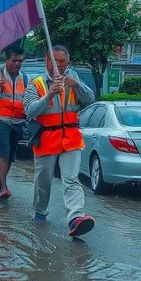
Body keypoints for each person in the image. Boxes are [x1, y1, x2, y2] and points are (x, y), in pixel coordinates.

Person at [23, 45, 97, 237]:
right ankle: (40, 212)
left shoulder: (73, 79)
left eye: (62, 62)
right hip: (46, 139)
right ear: (47, 61)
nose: (59, 65)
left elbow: (90, 99)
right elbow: (30, 110)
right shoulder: (36, 83)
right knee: (43, 182)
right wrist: (49, 94)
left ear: (68, 62)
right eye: (54, 61)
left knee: (71, 179)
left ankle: (75, 218)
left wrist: (77, 85)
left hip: (71, 138)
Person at [0, 47, 29, 200]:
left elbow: (28, 100)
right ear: (6, 60)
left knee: (10, 155)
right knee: (3, 151)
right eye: (14, 60)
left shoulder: (26, 79)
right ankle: (3, 187)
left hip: (19, 121)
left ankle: (2, 179)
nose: (17, 64)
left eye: (20, 61)